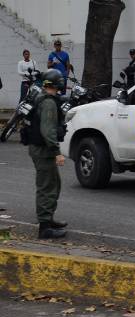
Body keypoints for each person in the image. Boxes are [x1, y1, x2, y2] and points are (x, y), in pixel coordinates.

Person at [25, 69, 68, 239]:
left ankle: (48, 219)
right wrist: (57, 152)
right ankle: (44, 228)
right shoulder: (49, 103)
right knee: (47, 187)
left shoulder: (41, 96)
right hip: (44, 151)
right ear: (57, 83)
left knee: (54, 183)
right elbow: (48, 131)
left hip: (40, 149)